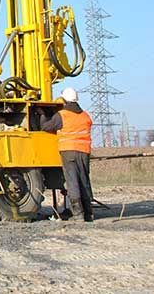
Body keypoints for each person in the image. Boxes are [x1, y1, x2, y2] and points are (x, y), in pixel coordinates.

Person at [39, 87, 94, 221]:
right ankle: (89, 214)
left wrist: (43, 115)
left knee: (72, 181)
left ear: (64, 99)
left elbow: (46, 127)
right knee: (84, 181)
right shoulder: (86, 115)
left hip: (69, 152)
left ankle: (78, 215)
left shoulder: (62, 115)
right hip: (84, 151)